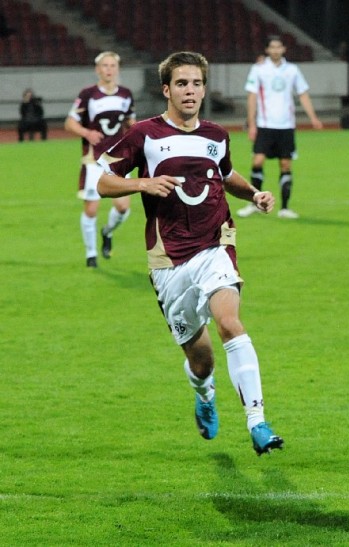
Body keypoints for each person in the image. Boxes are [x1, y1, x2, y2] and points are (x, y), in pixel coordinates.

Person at [96, 51, 284, 456]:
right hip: (168, 260)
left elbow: (224, 174)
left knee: (230, 322)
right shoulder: (145, 134)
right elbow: (104, 182)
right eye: (182, 83)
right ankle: (204, 393)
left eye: (197, 83)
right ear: (166, 89)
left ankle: (257, 421)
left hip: (215, 244)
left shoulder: (216, 135)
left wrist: (254, 194)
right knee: (202, 361)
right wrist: (143, 184)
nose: (190, 91)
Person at [238, 36, 323, 220]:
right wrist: (251, 123)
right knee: (257, 162)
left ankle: (284, 208)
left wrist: (313, 117)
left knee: (285, 164)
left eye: (279, 47)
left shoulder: (292, 70)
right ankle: (254, 203)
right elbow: (252, 96)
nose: (275, 50)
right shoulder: (259, 69)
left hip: (286, 126)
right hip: (265, 124)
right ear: (267, 50)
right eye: (272, 47)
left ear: (284, 49)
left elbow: (303, 94)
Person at [65, 51, 135, 268]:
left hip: (118, 159)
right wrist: (87, 133)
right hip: (93, 159)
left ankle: (107, 231)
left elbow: (130, 123)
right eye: (105, 65)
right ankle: (91, 255)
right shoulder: (88, 94)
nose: (109, 69)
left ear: (117, 69)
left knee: (123, 207)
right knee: (91, 209)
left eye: (112, 65)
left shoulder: (126, 94)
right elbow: (70, 122)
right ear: (97, 69)